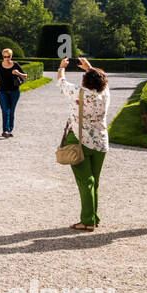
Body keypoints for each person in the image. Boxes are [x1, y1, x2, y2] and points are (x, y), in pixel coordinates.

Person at [57, 57, 111, 230]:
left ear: (85, 81)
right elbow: (103, 78)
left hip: (80, 140)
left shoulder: (78, 92)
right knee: (95, 181)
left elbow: (61, 81)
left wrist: (62, 67)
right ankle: (93, 217)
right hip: (101, 142)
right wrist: (89, 68)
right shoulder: (105, 93)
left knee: (85, 181)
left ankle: (88, 221)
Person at [0, 49, 28, 138]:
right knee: (5, 110)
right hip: (2, 91)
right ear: (2, 57)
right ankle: (5, 130)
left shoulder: (15, 65)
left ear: (11, 56)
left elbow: (25, 76)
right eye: (5, 56)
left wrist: (18, 73)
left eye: (8, 56)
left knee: (11, 111)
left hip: (14, 91)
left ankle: (10, 129)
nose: (6, 58)